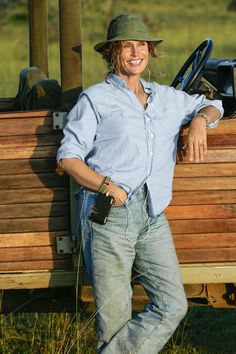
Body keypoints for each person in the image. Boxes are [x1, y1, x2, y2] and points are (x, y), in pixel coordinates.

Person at [57, 14, 223, 354]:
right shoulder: (95, 99)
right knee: (113, 322)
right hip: (110, 215)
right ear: (112, 53)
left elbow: (214, 104)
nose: (136, 52)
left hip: (152, 215)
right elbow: (68, 158)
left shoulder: (166, 98)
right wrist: (106, 185)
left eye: (142, 46)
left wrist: (198, 124)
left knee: (173, 305)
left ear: (150, 52)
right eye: (127, 46)